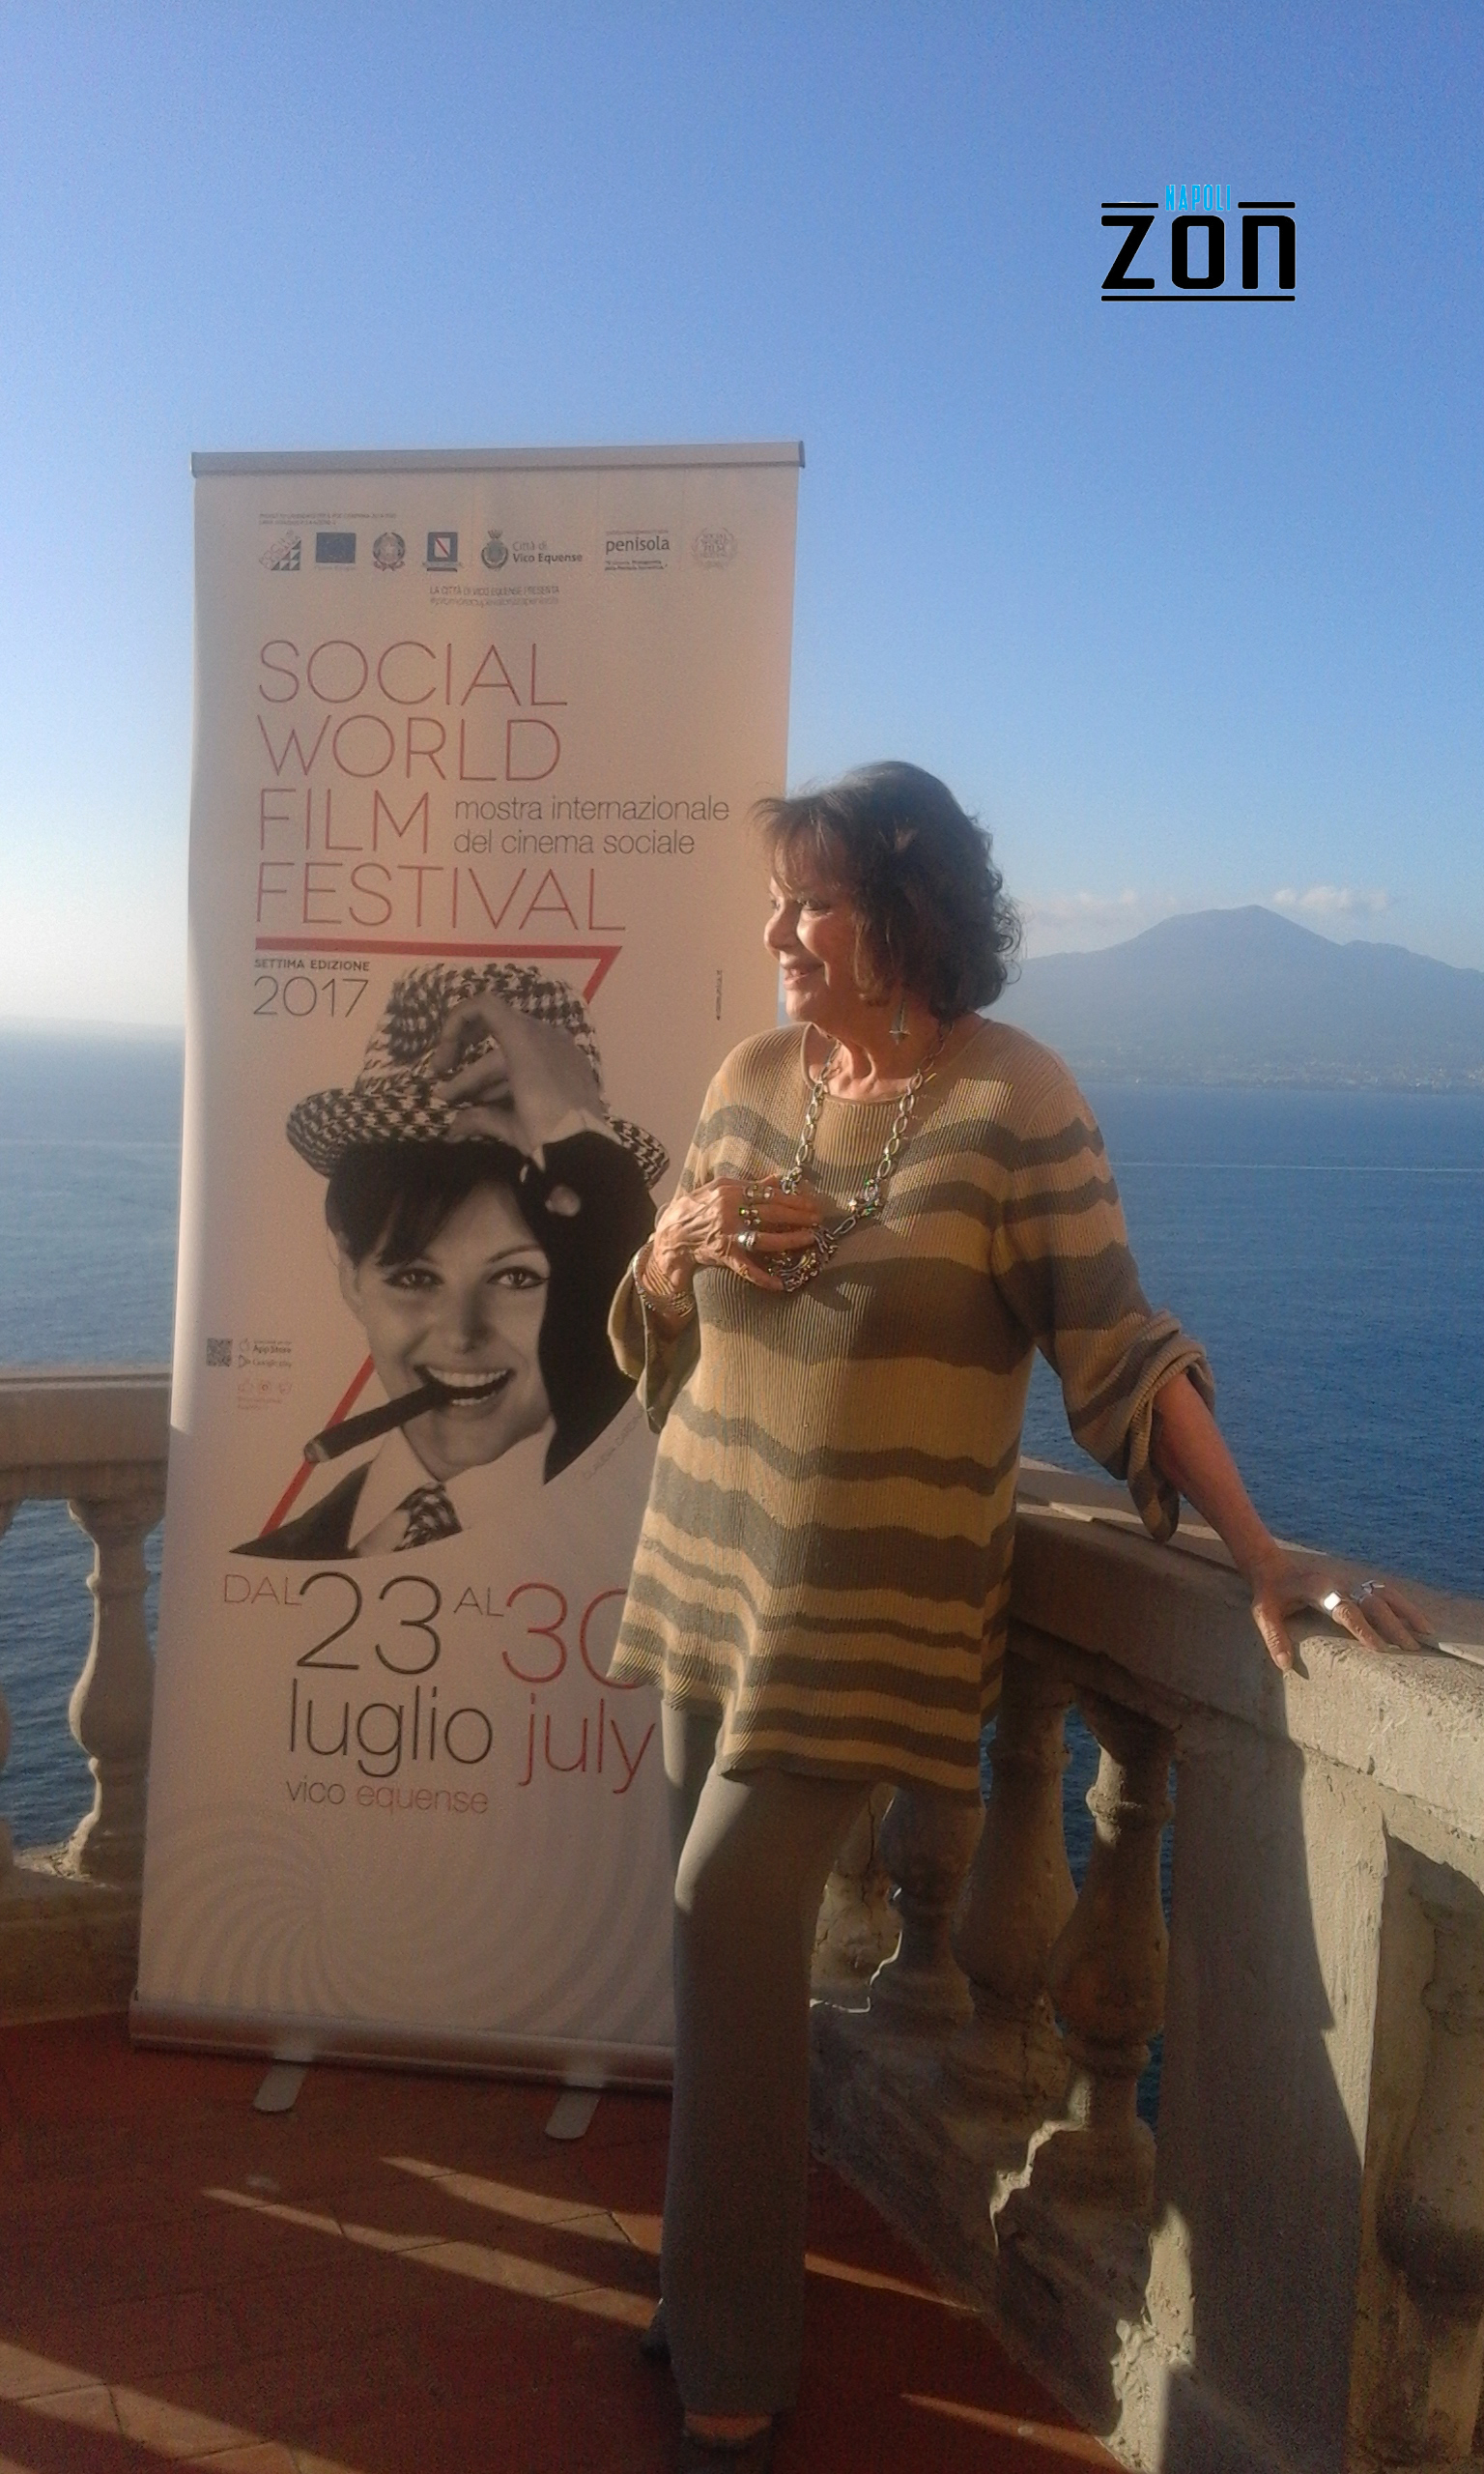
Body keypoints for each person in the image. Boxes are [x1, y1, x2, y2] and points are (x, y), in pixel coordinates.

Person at [603, 762, 1433, 2467]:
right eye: (779, 899)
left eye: (814, 901)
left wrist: (1260, 1548)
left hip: (862, 1613)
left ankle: (733, 2360)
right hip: (706, 1569)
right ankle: (703, 2283)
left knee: (719, 1906)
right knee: (716, 1963)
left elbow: (1114, 1344)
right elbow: (654, 1326)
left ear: (904, 915)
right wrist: (669, 1258)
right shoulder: (751, 1078)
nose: (778, 931)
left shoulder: (1011, 1103)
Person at [238, 962, 664, 1558]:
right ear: (350, 1274)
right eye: (415, 1277)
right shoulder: (264, 1572)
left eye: (516, 1277)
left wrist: (583, 1153)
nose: (463, 1335)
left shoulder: (662, 1543)